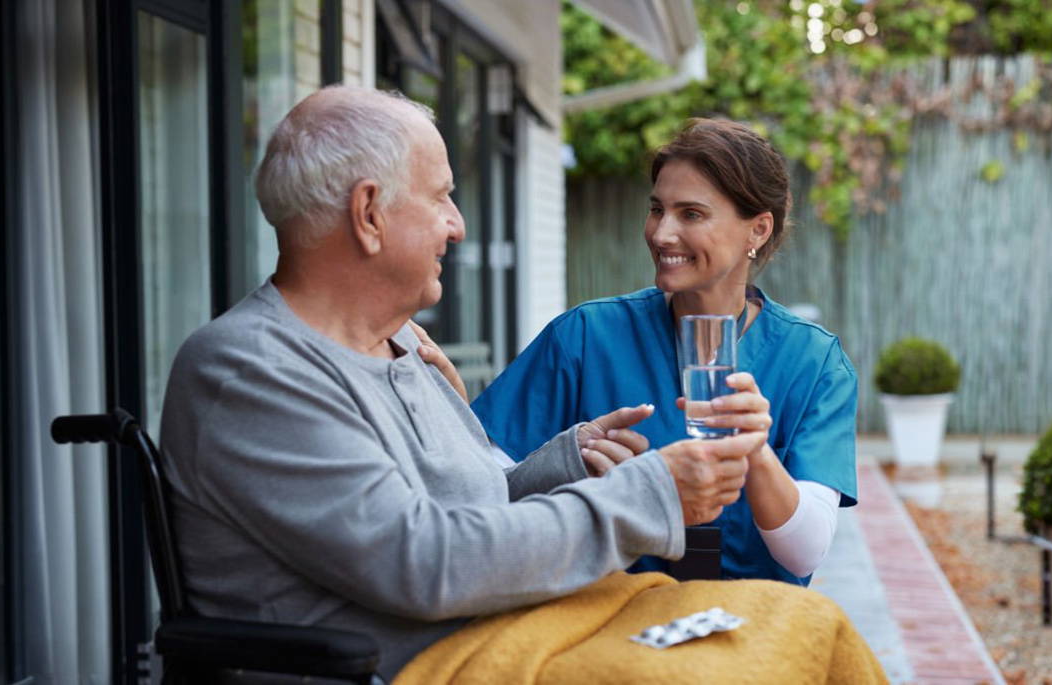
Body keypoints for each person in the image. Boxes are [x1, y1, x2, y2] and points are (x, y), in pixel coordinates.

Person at [158, 87, 879, 682]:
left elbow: (473, 499)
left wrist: (567, 459)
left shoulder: (396, 346)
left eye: (690, 213)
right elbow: (426, 560)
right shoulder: (252, 372)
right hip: (415, 658)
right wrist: (653, 492)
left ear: (758, 230)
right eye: (441, 197)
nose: (457, 225)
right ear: (369, 214)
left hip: (496, 626)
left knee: (810, 625)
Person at [470, 118, 858, 586]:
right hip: (609, 612)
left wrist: (756, 452)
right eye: (657, 209)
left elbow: (804, 554)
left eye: (691, 214)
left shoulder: (814, 363)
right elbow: (478, 495)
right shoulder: (584, 337)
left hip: (749, 621)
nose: (661, 233)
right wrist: (568, 462)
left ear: (757, 230)